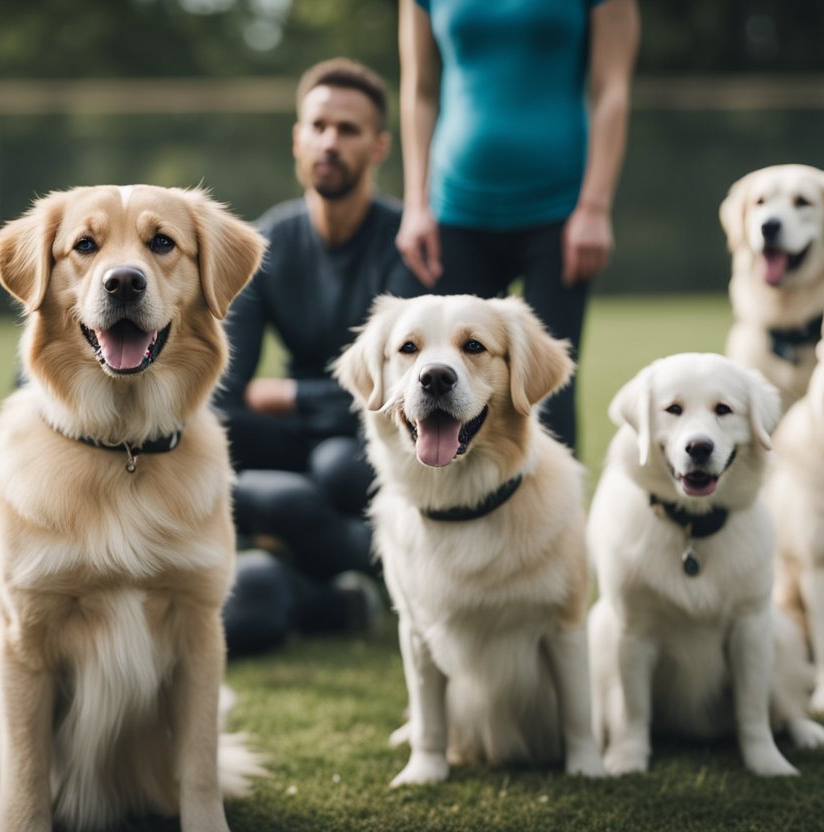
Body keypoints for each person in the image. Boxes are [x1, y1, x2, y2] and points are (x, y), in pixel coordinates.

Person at [215, 57, 425, 655]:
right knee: (209, 431)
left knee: (337, 466)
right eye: (318, 125)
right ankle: (318, 564)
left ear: (380, 146)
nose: (330, 141)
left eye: (349, 129)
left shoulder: (406, 242)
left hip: (373, 432)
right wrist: (309, 402)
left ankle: (362, 568)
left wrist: (290, 396)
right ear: (297, 138)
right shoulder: (267, 242)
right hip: (301, 431)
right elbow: (230, 388)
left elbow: (403, 385)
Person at [396, 0, 640, 451]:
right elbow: (420, 91)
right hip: (454, 212)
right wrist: (416, 203)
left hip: (560, 213)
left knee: (548, 390)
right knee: (436, 382)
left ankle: (558, 519)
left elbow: (611, 89)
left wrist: (594, 206)